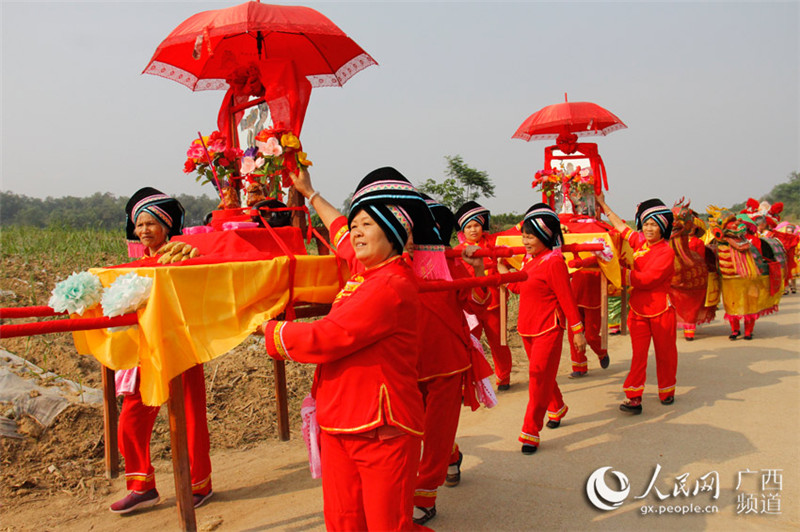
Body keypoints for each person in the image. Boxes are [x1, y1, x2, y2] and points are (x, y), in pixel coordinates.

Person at [263, 167, 434, 531]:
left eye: (367, 225)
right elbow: (338, 229)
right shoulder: (367, 270)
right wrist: (310, 193)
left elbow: (326, 336)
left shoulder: (390, 285)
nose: (356, 231)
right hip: (340, 420)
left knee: (386, 523)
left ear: (394, 235)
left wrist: (267, 330)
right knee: (342, 521)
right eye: (356, 223)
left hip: (380, 429)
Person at [110, 187, 212, 514]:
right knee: (131, 418)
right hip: (145, 351)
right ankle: (141, 486)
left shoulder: (184, 255)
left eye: (150, 223)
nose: (143, 231)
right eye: (138, 225)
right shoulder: (134, 266)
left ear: (167, 227)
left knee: (191, 418)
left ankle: (199, 484)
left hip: (181, 346)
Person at [412, 196, 490, 526]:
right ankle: (452, 453)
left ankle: (425, 494)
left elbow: (476, 304)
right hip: (409, 362)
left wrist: (479, 269)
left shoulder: (453, 262)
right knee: (419, 428)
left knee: (436, 429)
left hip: (447, 363)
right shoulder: (397, 264)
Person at [497, 204, 586, 454]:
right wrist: (503, 272)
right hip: (527, 328)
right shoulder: (530, 260)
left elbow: (567, 298)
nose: (525, 241)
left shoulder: (554, 262)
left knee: (536, 378)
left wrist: (577, 331)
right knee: (543, 375)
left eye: (530, 236)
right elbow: (523, 289)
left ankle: (530, 431)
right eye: (523, 235)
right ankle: (556, 407)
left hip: (549, 328)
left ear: (545, 236)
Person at [595, 192, 677, 414]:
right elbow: (622, 228)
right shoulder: (641, 242)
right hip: (638, 310)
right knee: (639, 355)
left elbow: (648, 280)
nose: (649, 229)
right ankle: (634, 397)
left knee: (665, 353)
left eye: (654, 225)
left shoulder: (666, 253)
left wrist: (618, 271)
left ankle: (667, 390)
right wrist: (603, 205)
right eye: (646, 224)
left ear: (663, 228)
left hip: (661, 310)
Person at [453, 201, 514, 390]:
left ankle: (503, 377)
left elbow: (514, 235)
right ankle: (471, 380)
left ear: (482, 225)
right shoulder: (457, 251)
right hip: (470, 306)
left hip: (493, 302)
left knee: (498, 342)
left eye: (476, 225)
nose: (473, 230)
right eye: (469, 226)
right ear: (463, 229)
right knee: (470, 343)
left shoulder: (493, 244)